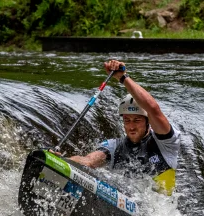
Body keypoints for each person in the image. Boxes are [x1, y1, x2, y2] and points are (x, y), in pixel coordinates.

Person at [67, 60, 180, 194]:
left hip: (163, 211)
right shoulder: (114, 146)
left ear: (148, 121)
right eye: (127, 120)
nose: (131, 126)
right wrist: (61, 161)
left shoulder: (166, 143)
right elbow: (88, 161)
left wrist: (123, 77)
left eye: (137, 120)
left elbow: (153, 108)